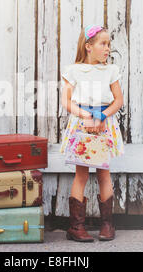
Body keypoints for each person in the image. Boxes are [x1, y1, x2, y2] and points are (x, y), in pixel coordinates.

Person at [59, 25, 124, 242]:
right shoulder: (74, 71)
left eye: (109, 44)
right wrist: (85, 115)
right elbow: (67, 101)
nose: (107, 49)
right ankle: (76, 227)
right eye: (102, 44)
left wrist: (102, 116)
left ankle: (107, 224)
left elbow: (118, 101)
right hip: (83, 123)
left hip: (103, 123)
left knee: (104, 173)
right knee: (82, 174)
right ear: (88, 47)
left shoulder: (111, 71)